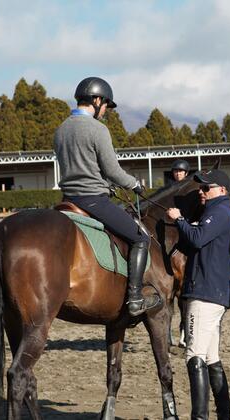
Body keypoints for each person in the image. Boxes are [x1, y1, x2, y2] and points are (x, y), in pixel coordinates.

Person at [53, 76, 160, 317]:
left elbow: (81, 167)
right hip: (93, 200)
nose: (105, 112)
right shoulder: (97, 129)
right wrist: (134, 184)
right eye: (106, 107)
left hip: (67, 200)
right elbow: (112, 170)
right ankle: (134, 297)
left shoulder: (61, 130)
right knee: (140, 237)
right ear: (97, 100)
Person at [166, 169, 230, 420]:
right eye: (201, 188)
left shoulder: (219, 211)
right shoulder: (216, 212)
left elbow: (197, 239)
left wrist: (179, 220)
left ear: (221, 191)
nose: (201, 191)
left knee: (194, 356)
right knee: (211, 358)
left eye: (206, 188)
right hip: (213, 294)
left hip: (204, 295)